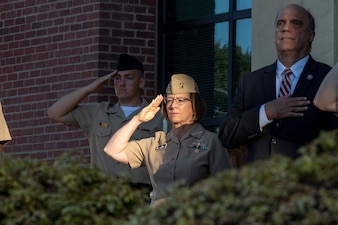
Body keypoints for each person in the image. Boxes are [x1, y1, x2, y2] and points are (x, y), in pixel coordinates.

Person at [218, 4, 338, 165]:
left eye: (295, 23)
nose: (285, 28)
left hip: (306, 185)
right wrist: (266, 112)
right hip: (258, 186)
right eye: (280, 23)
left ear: (311, 35)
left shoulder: (327, 79)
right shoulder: (250, 82)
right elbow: (227, 135)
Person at [104, 74, 233, 206]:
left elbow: (226, 190)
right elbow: (112, 150)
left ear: (194, 104)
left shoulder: (210, 142)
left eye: (180, 100)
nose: (172, 106)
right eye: (169, 100)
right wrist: (138, 119)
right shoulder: (155, 143)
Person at [47, 53, 164, 190]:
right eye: (117, 78)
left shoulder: (158, 116)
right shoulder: (99, 112)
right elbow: (54, 113)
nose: (121, 83)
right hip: (103, 191)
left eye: (129, 78)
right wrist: (90, 88)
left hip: (141, 193)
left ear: (141, 82)